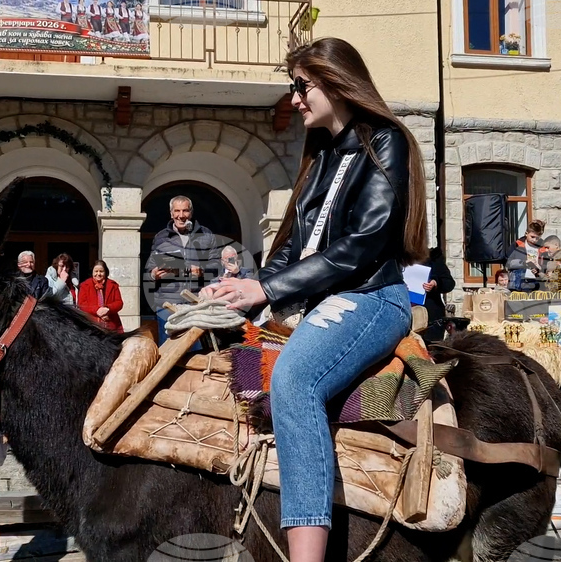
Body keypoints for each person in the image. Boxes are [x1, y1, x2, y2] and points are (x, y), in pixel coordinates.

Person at [201, 37, 429, 561]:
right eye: (293, 88)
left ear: (335, 80)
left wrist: (268, 289)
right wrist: (243, 292)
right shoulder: (320, 156)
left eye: (302, 87)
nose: (295, 99)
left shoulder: (385, 139)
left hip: (373, 297)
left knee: (294, 379)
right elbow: (290, 249)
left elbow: (365, 242)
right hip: (323, 303)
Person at [144, 195, 219, 344]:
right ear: (171, 213)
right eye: (177, 211)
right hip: (167, 304)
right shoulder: (161, 237)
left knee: (196, 351)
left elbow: (217, 266)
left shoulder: (206, 234)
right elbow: (149, 268)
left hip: (196, 303)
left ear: (191, 212)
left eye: (185, 211)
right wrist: (153, 274)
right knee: (167, 352)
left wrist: (202, 271)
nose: (181, 215)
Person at [420, 247, 455, 344]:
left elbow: (449, 283)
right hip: (404, 314)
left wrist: (435, 283)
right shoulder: (398, 258)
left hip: (430, 316)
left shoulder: (433, 258)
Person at [77, 260, 123, 332]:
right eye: (96, 271)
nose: (98, 274)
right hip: (91, 325)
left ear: (105, 272)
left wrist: (108, 309)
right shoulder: (84, 285)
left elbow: (119, 303)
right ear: (92, 272)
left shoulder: (113, 285)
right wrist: (97, 310)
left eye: (101, 271)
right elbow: (81, 304)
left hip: (111, 324)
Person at [506, 220, 547, 292]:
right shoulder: (517, 245)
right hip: (518, 283)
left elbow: (546, 266)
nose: (534, 240)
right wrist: (524, 263)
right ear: (526, 233)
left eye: (537, 238)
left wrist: (538, 269)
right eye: (532, 237)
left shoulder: (542, 248)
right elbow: (508, 263)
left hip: (535, 284)